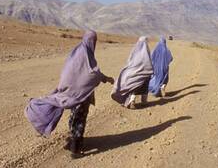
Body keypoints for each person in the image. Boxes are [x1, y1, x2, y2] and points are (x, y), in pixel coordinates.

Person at [25, 30, 114, 158]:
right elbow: (93, 74)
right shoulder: (86, 55)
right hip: (82, 96)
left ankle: (74, 139)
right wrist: (106, 78)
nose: (93, 43)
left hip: (72, 94)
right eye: (93, 41)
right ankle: (76, 149)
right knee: (80, 120)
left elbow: (69, 72)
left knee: (74, 118)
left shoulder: (76, 53)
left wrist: (64, 88)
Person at [110, 36, 153, 109]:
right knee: (145, 85)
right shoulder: (146, 51)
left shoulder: (135, 50)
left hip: (134, 72)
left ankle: (132, 100)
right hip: (145, 73)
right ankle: (144, 101)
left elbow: (130, 61)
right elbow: (148, 62)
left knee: (134, 86)